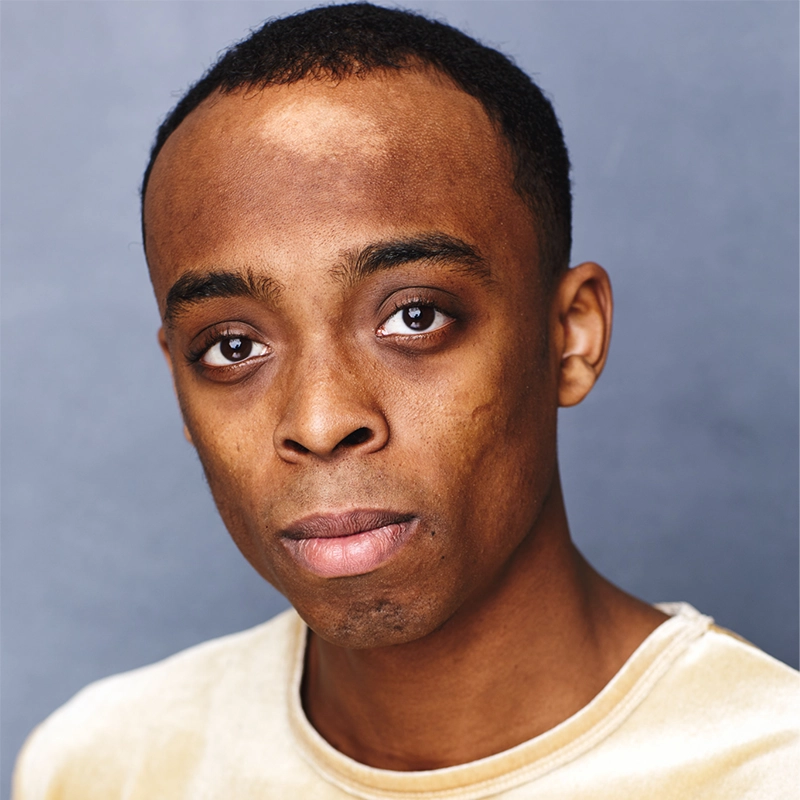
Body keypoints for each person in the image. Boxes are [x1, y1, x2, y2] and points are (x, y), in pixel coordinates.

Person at [12, 4, 798, 797]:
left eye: (414, 317)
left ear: (571, 336)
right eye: (232, 347)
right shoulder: (101, 767)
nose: (319, 422)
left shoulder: (766, 769)